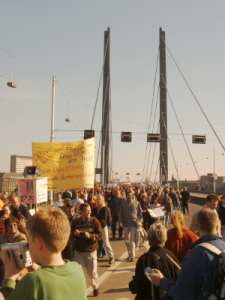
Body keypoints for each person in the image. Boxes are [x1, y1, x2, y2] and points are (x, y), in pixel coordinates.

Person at [1, 207, 87, 300]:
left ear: (38, 243)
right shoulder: (77, 269)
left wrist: (10, 277)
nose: (27, 246)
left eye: (29, 242)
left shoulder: (34, 281)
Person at [150, 208, 225, 300]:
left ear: (198, 226)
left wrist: (161, 281)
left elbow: (182, 293)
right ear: (217, 225)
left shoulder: (196, 254)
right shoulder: (223, 246)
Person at [129, 222, 179, 300]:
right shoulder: (171, 257)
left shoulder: (143, 259)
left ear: (149, 240)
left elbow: (137, 286)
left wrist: (132, 285)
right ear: (165, 239)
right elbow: (179, 281)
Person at [71, 203, 102, 297]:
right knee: (78, 273)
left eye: (90, 210)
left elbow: (100, 235)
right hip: (78, 252)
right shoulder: (75, 222)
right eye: (87, 210)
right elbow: (70, 234)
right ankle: (81, 291)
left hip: (90, 251)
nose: (89, 212)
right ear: (81, 212)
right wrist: (74, 234)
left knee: (92, 273)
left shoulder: (94, 221)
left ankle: (95, 286)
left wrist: (91, 236)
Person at [119, 190, 142, 262]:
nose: (129, 196)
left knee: (132, 240)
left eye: (130, 195)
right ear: (126, 195)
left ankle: (132, 256)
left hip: (133, 224)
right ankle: (130, 253)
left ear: (132, 195)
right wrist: (120, 222)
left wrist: (139, 221)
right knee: (126, 240)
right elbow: (120, 213)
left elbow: (140, 214)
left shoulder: (137, 203)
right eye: (128, 195)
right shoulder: (123, 203)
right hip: (125, 224)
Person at [93, 195, 114, 265]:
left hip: (103, 228)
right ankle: (95, 256)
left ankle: (111, 257)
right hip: (96, 227)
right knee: (95, 242)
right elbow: (93, 217)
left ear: (102, 200)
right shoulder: (95, 209)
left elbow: (104, 220)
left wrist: (97, 221)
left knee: (106, 243)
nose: (98, 200)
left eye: (99, 199)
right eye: (97, 199)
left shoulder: (105, 208)